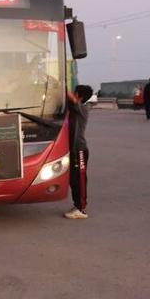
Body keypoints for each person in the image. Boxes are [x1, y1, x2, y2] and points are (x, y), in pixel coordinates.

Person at [64, 84, 93, 219]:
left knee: (80, 180)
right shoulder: (74, 108)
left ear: (79, 96)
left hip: (80, 149)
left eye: (75, 92)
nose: (72, 94)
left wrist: (60, 84)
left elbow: (70, 97)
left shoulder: (83, 108)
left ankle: (81, 209)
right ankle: (77, 205)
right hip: (73, 150)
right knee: (73, 180)